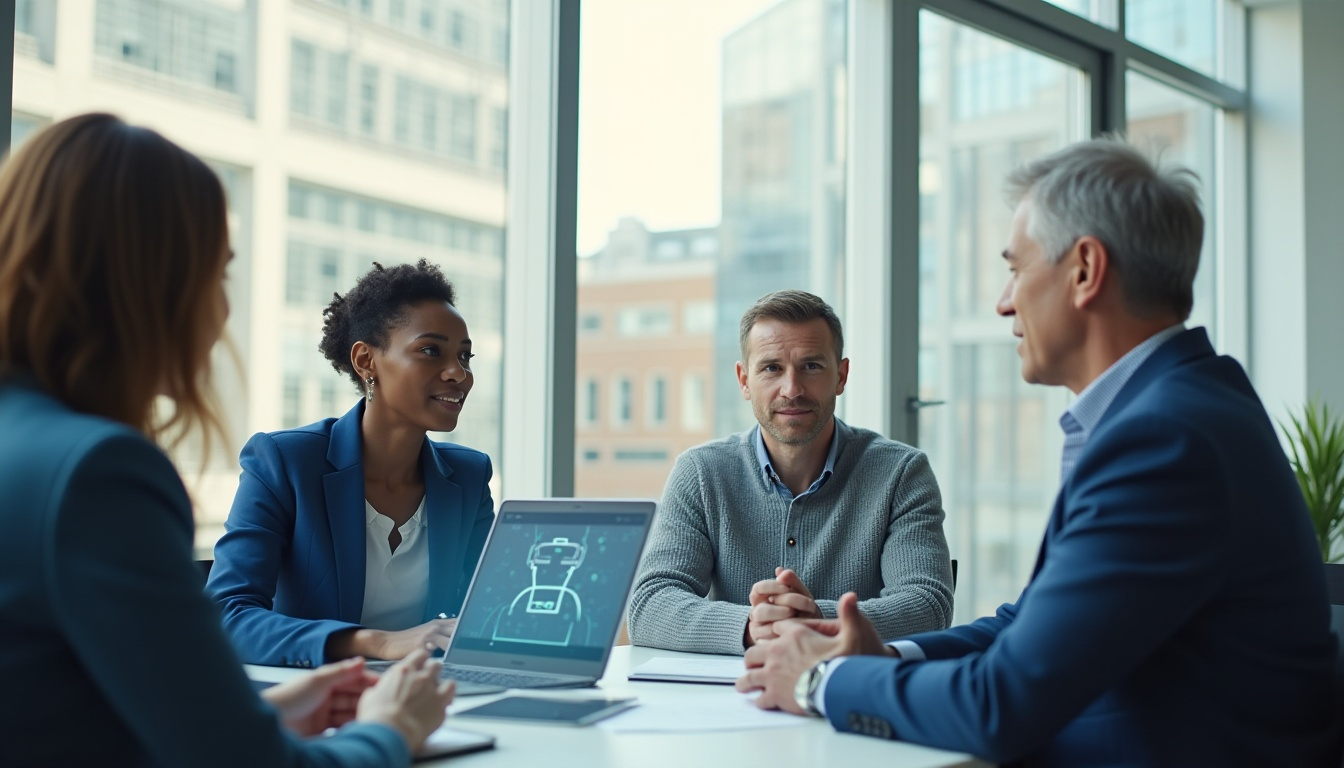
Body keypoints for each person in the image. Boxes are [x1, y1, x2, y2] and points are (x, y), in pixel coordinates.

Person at [737, 139, 1341, 766]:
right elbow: (1027, 627)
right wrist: (885, 656)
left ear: (1084, 270)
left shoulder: (1164, 441)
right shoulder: (1181, 409)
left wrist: (819, 681)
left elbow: (1002, 703)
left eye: (1017, 268)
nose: (1004, 301)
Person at [0, 113, 454, 766]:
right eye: (216, 274)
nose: (219, 312)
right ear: (150, 283)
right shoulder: (100, 474)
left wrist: (259, 716)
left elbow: (53, 713)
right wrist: (390, 729)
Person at [628, 289, 954, 655]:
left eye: (811, 366)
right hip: (732, 698)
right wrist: (752, 628)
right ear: (744, 380)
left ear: (841, 376)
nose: (792, 389)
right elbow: (650, 605)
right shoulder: (701, 473)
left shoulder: (901, 473)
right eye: (771, 368)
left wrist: (815, 619)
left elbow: (928, 605)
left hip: (853, 693)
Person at [207, 260, 494, 667]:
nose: (458, 374)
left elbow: (485, 611)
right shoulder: (285, 461)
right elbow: (226, 617)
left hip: (431, 696)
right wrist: (376, 643)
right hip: (317, 701)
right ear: (366, 361)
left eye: (465, 357)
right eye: (430, 351)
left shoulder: (469, 476)